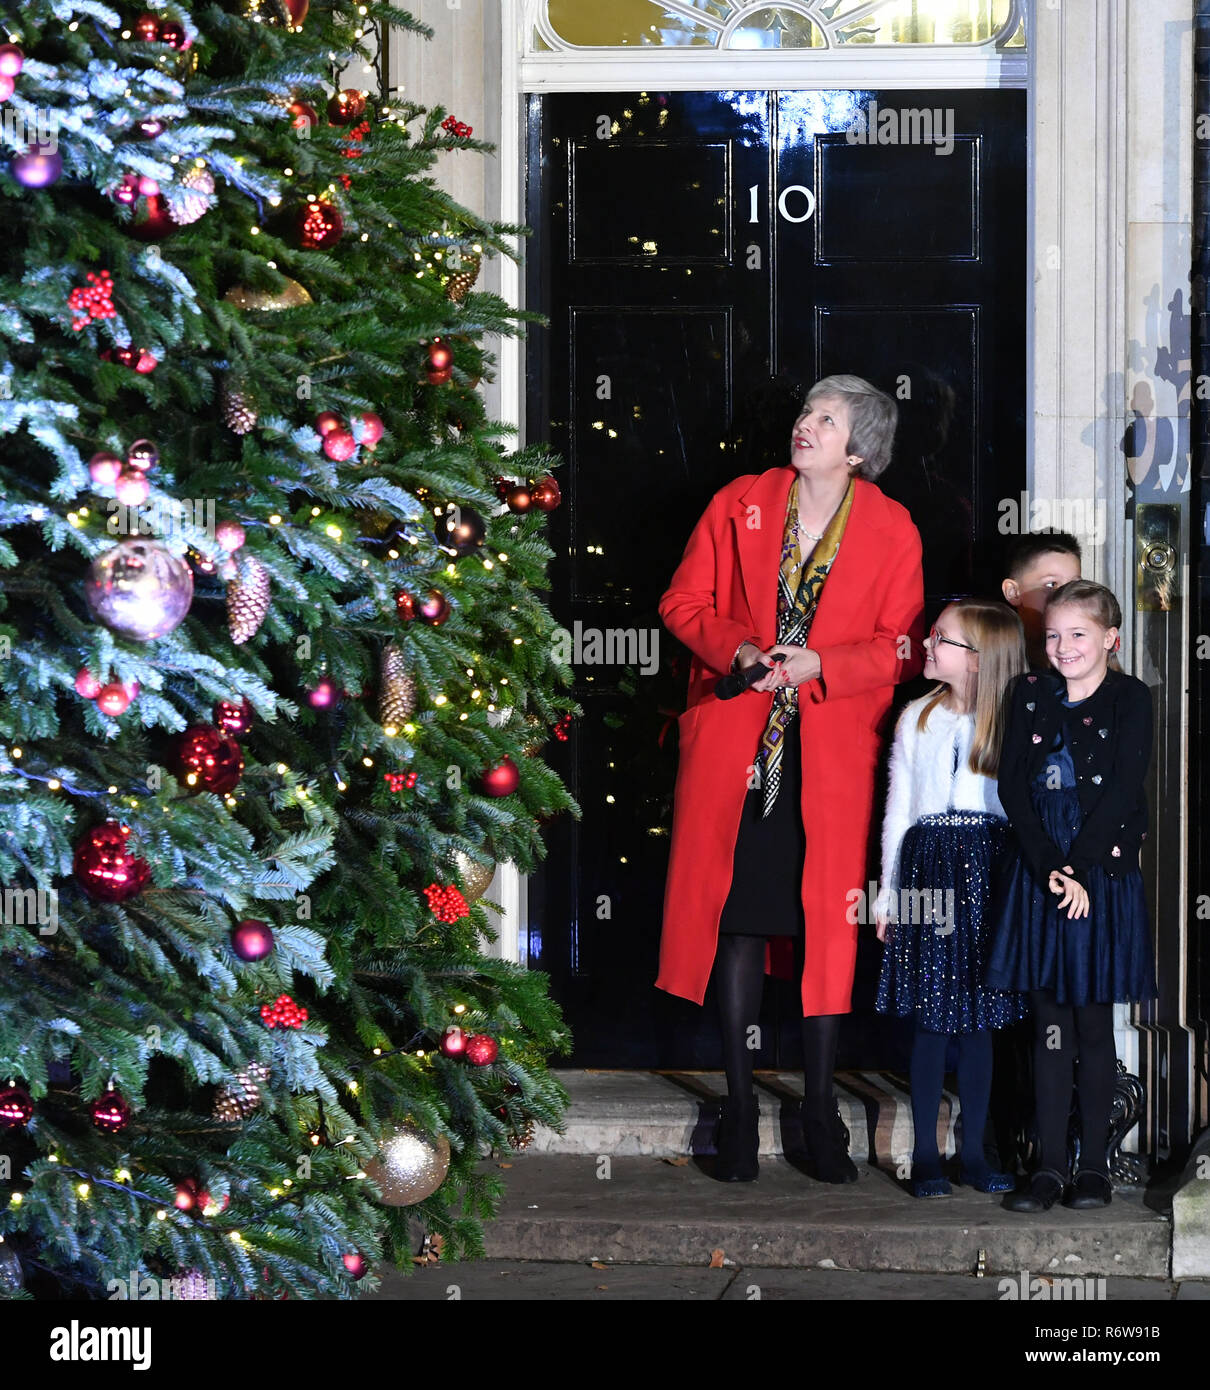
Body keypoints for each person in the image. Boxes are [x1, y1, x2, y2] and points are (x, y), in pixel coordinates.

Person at [656, 374, 925, 1183]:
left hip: (830, 755)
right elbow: (680, 602)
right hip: (736, 746)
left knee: (824, 930)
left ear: (860, 449)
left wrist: (822, 664)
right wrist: (740, 650)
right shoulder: (740, 498)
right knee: (735, 921)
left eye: (826, 418)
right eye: (807, 412)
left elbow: (901, 649)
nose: (804, 425)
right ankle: (738, 1108)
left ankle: (818, 1111)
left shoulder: (892, 528)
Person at [985, 580, 1156, 1212]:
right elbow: (1012, 789)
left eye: (1077, 634)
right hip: (1042, 877)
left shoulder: (1130, 699)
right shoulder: (1027, 694)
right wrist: (1052, 869)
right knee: (1047, 1025)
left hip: (1100, 876)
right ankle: (1049, 1167)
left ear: (1111, 639)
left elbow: (1121, 794)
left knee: (1090, 1026)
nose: (1062, 647)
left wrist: (1081, 871)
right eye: (1052, 635)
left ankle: (1093, 1168)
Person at [873, 599, 1028, 1197]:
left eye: (942, 638)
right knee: (933, 1022)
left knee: (981, 1024)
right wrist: (888, 897)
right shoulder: (916, 717)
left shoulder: (1012, 722)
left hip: (989, 871)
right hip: (929, 872)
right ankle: (927, 1156)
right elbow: (898, 811)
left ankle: (974, 1154)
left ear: (979, 659)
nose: (927, 644)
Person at [1001, 531, 1082, 671]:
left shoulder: (1086, 660)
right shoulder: (997, 664)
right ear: (1013, 592)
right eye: (1051, 585)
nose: (1066, 595)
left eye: (1074, 585)